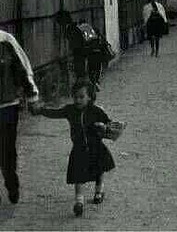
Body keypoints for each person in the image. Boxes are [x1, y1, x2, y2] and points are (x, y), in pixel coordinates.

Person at [31, 79, 115, 217]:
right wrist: (41, 111)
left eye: (82, 97)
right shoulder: (70, 110)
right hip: (79, 148)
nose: (78, 100)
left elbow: (109, 124)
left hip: (96, 146)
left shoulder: (97, 111)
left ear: (90, 97)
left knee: (99, 170)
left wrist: (104, 126)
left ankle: (99, 191)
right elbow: (55, 113)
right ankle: (79, 201)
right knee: (78, 174)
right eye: (75, 97)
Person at [0, 29, 40, 205]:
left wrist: (32, 94)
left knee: (7, 150)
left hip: (6, 107)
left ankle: (11, 183)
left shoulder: (5, 40)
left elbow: (23, 67)